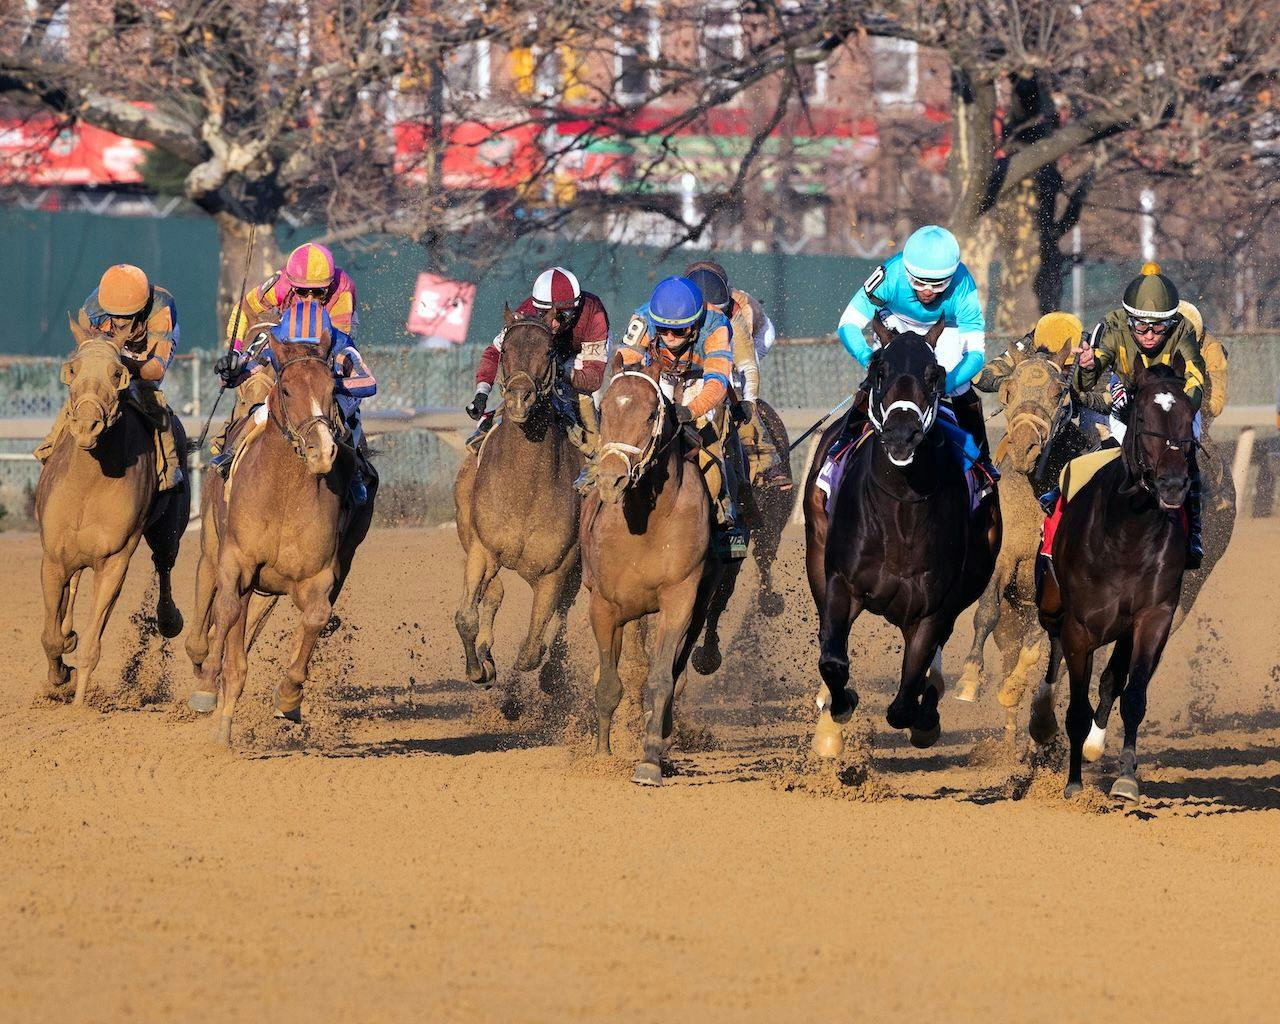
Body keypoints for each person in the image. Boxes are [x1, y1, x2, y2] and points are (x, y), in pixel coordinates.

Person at [1071, 263, 1207, 567]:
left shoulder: (1183, 329)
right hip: (1131, 403)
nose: (1149, 335)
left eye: (1159, 328)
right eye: (1141, 327)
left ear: (1170, 322)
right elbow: (1088, 379)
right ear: (1128, 319)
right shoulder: (1113, 326)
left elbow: (1196, 376)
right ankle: (1065, 507)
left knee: (1188, 456)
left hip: (1175, 405)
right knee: (1106, 451)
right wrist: (1088, 364)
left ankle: (1194, 533)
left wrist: (1183, 410)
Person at [836, 224, 996, 482]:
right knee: (883, 376)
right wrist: (869, 361)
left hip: (945, 327)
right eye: (919, 282)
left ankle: (982, 460)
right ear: (907, 271)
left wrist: (947, 383)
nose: (928, 291)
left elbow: (975, 355)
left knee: (960, 387)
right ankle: (844, 441)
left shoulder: (964, 285)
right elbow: (848, 324)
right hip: (896, 322)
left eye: (938, 285)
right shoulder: (890, 275)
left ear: (951, 277)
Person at [613, 276, 746, 557]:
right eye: (663, 330)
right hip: (657, 375)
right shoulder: (643, 317)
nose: (669, 337)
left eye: (679, 331)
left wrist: (689, 411)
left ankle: (726, 517)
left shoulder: (717, 325)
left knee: (709, 444)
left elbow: (717, 383)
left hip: (700, 381)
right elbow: (625, 361)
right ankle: (597, 476)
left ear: (695, 326)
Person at [35, 264, 182, 490]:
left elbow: (155, 369)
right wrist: (101, 364)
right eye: (115, 315)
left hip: (148, 348)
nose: (121, 321)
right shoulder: (90, 310)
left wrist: (120, 364)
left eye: (128, 316)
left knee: (145, 391)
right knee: (87, 389)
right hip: (109, 347)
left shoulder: (160, 308)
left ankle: (170, 465)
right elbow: (87, 353)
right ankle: (51, 444)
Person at [217, 299, 376, 505]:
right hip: (294, 395)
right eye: (296, 347)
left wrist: (327, 385)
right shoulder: (275, 340)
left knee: (341, 420)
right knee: (262, 411)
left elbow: (369, 383)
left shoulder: (341, 344)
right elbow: (245, 372)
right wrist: (229, 372)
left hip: (331, 395)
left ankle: (354, 472)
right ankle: (232, 454)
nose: (303, 352)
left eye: (312, 347)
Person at [464, 267, 609, 456]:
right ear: (536, 309)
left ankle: (594, 450)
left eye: (561, 316)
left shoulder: (593, 313)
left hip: (579, 354)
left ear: (575, 308)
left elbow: (593, 379)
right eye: (545, 314)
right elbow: (494, 353)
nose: (554, 323)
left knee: (581, 394)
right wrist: (482, 393)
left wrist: (560, 372)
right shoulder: (526, 312)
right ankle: (492, 420)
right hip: (544, 353)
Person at [683, 260, 790, 490]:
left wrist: (747, 401)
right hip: (707, 347)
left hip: (757, 336)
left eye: (716, 312)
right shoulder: (678, 303)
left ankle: (765, 461)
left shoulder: (739, 311)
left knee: (736, 389)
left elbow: (745, 362)